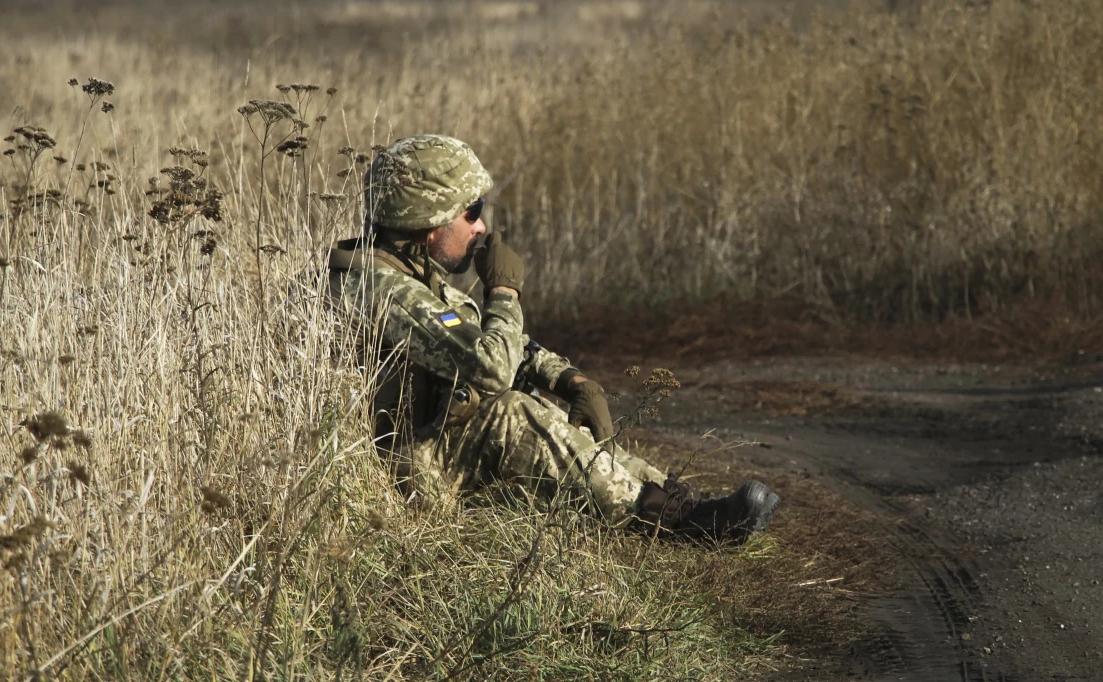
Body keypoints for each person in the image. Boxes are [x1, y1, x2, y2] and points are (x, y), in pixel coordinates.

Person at [326, 134, 780, 544]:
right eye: (472, 211)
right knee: (509, 411)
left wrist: (570, 380)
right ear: (430, 222)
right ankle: (669, 520)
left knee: (542, 405)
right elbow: (491, 367)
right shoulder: (379, 291)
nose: (481, 226)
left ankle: (672, 499)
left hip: (428, 449)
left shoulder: (410, 275)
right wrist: (504, 292)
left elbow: (492, 341)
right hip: (403, 475)